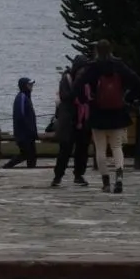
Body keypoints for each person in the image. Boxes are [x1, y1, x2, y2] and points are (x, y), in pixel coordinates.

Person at [76, 39, 140, 194]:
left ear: (96, 51)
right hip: (117, 112)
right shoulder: (118, 65)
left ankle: (106, 182)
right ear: (111, 49)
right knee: (117, 147)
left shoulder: (93, 67)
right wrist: (127, 98)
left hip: (98, 112)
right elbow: (137, 82)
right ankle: (119, 178)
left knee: (100, 149)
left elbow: (78, 85)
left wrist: (86, 99)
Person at [51, 56, 91, 187]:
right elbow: (65, 97)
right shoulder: (67, 79)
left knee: (82, 149)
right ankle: (58, 176)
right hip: (68, 119)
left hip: (83, 118)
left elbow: (88, 98)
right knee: (65, 150)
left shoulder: (87, 80)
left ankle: (79, 175)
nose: (83, 72)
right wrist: (77, 87)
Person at [0, 78, 38, 169]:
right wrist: (29, 130)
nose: (31, 86)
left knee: (30, 155)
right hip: (24, 134)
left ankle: (30, 170)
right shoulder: (21, 97)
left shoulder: (26, 96)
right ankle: (6, 167)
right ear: (24, 86)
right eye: (29, 84)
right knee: (27, 154)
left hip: (28, 134)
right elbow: (21, 116)